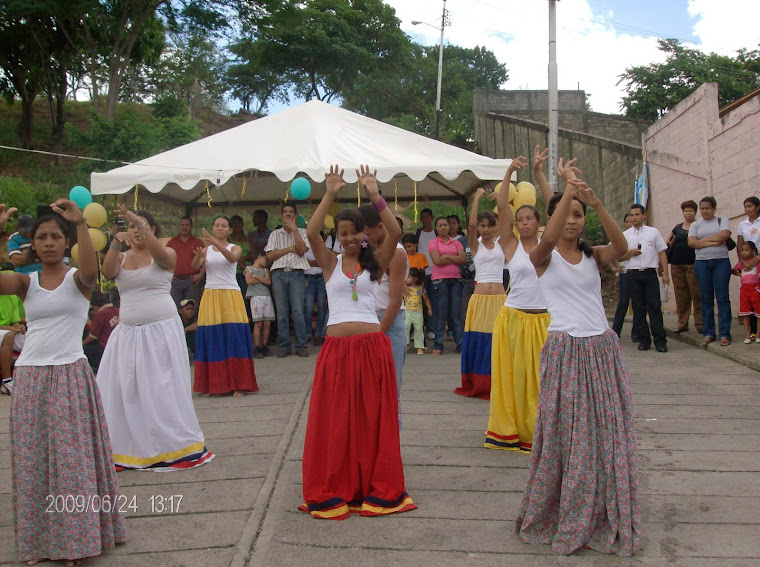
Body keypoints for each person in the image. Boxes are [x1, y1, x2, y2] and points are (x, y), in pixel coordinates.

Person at [517, 162, 639, 557]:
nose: (572, 221)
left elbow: (621, 248)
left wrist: (596, 201)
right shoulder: (542, 256)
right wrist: (568, 190)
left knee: (607, 437)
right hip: (565, 350)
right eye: (565, 214)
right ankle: (566, 511)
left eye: (577, 215)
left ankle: (604, 511)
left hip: (602, 349)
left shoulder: (593, 256)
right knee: (568, 439)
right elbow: (549, 238)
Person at [5, 200, 127, 565]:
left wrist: (79, 225)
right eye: (41, 237)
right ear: (32, 244)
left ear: (65, 242)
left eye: (55, 236)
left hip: (69, 375)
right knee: (33, 462)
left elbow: (91, 270)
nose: (48, 242)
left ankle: (76, 543)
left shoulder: (78, 280)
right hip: (29, 377)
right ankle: (39, 542)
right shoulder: (26, 283)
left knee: (72, 464)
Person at [300, 164, 415, 520]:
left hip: (370, 349)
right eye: (343, 233)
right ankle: (340, 483)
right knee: (336, 420)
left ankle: (371, 485)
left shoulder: (376, 263)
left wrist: (375, 194)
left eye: (354, 233)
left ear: (363, 236)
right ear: (338, 236)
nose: (349, 238)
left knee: (370, 420)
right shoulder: (329, 263)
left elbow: (395, 231)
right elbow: (311, 231)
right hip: (336, 352)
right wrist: (330, 194)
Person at [98, 206, 213, 471]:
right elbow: (107, 272)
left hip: (160, 332)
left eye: (143, 227)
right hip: (128, 334)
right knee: (128, 391)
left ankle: (169, 444)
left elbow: (165, 260)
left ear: (152, 229)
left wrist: (142, 226)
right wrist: (116, 240)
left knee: (161, 389)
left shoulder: (166, 253)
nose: (137, 232)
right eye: (133, 228)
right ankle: (131, 445)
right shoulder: (122, 256)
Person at [485, 150, 551, 452]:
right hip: (513, 318)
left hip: (544, 321)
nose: (523, 223)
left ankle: (542, 431)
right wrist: (509, 172)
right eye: (520, 219)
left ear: (538, 223)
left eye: (529, 219)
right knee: (514, 379)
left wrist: (538, 173)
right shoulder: (510, 245)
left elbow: (557, 207)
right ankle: (512, 432)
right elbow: (501, 207)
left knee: (541, 381)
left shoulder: (550, 245)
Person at [192, 215, 258, 395]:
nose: (220, 228)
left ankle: (239, 384)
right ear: (213, 228)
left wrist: (216, 243)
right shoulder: (206, 250)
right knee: (213, 338)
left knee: (233, 337)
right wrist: (199, 256)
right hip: (211, 294)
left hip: (230, 294)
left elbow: (231, 259)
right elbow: (195, 265)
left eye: (224, 226)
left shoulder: (234, 247)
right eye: (217, 225)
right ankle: (214, 384)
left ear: (230, 230)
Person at [360, 203, 409, 429]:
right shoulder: (366, 250)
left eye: (367, 232)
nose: (364, 237)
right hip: (367, 321)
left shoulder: (396, 253)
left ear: (380, 227)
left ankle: (390, 440)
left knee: (389, 387)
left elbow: (395, 300)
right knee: (366, 388)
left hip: (388, 323)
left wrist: (378, 334)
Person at [455, 187, 506, 399]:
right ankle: (479, 381)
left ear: (495, 226)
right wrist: (476, 199)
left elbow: (507, 222)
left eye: (490, 225)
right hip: (481, 299)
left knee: (499, 341)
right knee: (480, 340)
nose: (485, 229)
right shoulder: (475, 246)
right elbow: (472, 225)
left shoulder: (503, 243)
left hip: (500, 300)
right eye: (483, 226)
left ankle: (500, 381)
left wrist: (501, 202)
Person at [621, 204, 669, 353]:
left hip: (649, 273)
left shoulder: (653, 232)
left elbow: (662, 253)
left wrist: (665, 273)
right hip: (633, 273)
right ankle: (643, 339)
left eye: (637, 214)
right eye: (632, 215)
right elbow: (619, 256)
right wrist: (629, 254)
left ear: (643, 215)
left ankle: (660, 340)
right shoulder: (626, 235)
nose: (634, 217)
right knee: (638, 308)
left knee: (654, 307)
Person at [265, 203, 310, 357]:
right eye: (285, 212)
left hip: (296, 273)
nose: (288, 214)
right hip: (278, 274)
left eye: (291, 212)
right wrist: (290, 249)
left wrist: (295, 230)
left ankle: (301, 345)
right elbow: (270, 256)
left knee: (298, 311)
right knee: (282, 312)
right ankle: (284, 347)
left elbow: (302, 250)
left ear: (296, 216)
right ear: (281, 216)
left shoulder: (303, 232)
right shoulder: (275, 234)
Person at [688, 196, 733, 347]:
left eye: (708, 208)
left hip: (721, 261)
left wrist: (702, 242)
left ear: (714, 208)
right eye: (702, 209)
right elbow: (692, 243)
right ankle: (709, 332)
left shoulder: (722, 220)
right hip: (702, 263)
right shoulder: (696, 224)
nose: (705, 211)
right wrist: (713, 241)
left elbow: (725, 235)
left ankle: (725, 334)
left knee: (722, 298)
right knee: (706, 298)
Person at [428, 217, 466, 355]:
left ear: (449, 227)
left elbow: (463, 259)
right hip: (440, 281)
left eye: (445, 225)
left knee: (455, 315)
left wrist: (446, 257)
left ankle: (461, 345)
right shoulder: (433, 243)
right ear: (436, 228)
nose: (443, 227)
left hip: (456, 280)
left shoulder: (456, 242)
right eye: (440, 225)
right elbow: (437, 260)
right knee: (440, 314)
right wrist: (453, 257)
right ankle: (438, 345)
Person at [666, 200, 702, 334]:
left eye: (690, 210)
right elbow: (669, 243)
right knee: (681, 295)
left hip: (694, 264)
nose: (688, 213)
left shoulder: (699, 226)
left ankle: (700, 324)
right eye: (685, 210)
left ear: (695, 212)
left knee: (697, 294)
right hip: (677, 265)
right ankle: (682, 323)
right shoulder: (678, 228)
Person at [166, 216, 205, 307]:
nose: (184, 228)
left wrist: (200, 275)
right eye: (182, 225)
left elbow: (206, 261)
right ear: (179, 226)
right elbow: (165, 260)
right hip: (175, 281)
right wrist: (168, 276)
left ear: (191, 227)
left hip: (192, 281)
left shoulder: (197, 242)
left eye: (187, 225)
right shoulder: (172, 242)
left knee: (191, 308)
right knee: (174, 308)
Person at [736, 196, 760, 339]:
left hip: (758, 259)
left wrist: (757, 258)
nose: (747, 209)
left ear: (757, 207)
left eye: (750, 206)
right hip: (747, 262)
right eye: (745, 207)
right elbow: (740, 244)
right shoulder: (742, 225)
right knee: (750, 299)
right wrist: (743, 262)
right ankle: (752, 332)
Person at [0, 263, 25, 395]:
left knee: (33, 336)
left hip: (7, 330)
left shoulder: (13, 296)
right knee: (8, 336)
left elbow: (15, 321)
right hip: (4, 332)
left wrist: (19, 327)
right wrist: (10, 328)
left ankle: (28, 377)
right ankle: (6, 381)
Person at [611, 213, 637, 339]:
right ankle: (615, 331)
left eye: (631, 221)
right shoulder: (621, 237)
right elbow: (609, 254)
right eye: (627, 221)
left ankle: (636, 332)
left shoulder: (640, 236)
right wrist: (615, 268)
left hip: (637, 272)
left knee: (637, 303)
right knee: (623, 302)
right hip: (625, 273)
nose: (629, 223)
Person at [244, 251, 275, 358]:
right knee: (258, 323)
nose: (266, 262)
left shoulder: (265, 270)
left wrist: (256, 277)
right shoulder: (248, 269)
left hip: (266, 296)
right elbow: (248, 281)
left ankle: (264, 345)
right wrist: (263, 280)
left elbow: (268, 282)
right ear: (259, 257)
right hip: (255, 296)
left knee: (267, 323)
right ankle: (257, 346)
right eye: (265, 259)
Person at [82, 290, 119, 371]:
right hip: (116, 345)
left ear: (94, 307)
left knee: (84, 350)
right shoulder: (117, 310)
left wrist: (81, 345)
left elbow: (93, 335)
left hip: (104, 347)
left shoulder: (101, 314)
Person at [732, 241, 760, 343]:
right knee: (745, 313)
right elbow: (733, 270)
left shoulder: (757, 262)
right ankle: (747, 336)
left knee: (758, 312)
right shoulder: (741, 263)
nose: (744, 253)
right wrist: (740, 275)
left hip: (756, 289)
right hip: (745, 290)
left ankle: (757, 335)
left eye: (747, 250)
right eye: (742, 250)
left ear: (753, 251)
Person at [303, 241, 327, 346]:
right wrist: (316, 262)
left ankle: (318, 333)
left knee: (322, 306)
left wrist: (312, 262)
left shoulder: (321, 244)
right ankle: (308, 333)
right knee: (308, 306)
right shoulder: (304, 246)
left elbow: (324, 261)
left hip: (321, 277)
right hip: (308, 278)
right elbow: (303, 262)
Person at [404, 268, 431, 355]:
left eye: (409, 277)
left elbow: (426, 299)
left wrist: (429, 308)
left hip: (418, 312)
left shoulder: (420, 288)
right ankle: (406, 344)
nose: (406, 279)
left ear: (415, 279)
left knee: (419, 329)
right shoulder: (405, 288)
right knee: (406, 327)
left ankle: (419, 347)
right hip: (407, 311)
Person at [230, 214, 253, 297]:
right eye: (234, 223)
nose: (236, 225)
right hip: (231, 273)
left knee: (245, 296)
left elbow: (253, 254)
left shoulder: (248, 239)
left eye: (238, 223)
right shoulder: (227, 239)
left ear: (242, 224)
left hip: (245, 272)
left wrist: (245, 258)